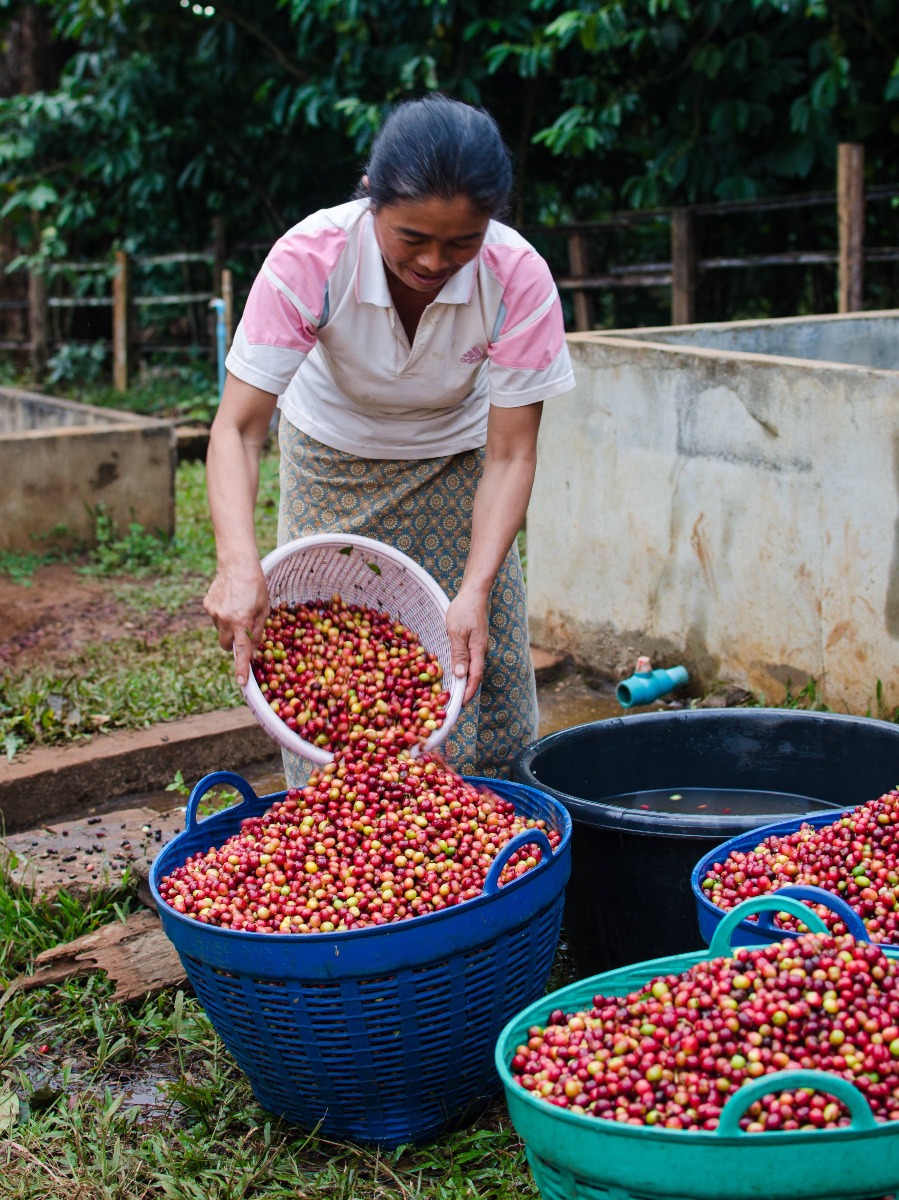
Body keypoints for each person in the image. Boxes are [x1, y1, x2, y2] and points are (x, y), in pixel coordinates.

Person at [203, 93, 575, 783]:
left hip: (459, 460)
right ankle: (334, 805)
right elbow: (238, 429)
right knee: (322, 667)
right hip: (332, 457)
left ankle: (485, 820)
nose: (434, 262)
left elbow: (511, 452)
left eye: (461, 242)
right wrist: (237, 563)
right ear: (371, 198)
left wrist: (476, 587)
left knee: (472, 660)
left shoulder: (516, 276)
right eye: (411, 237)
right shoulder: (311, 258)